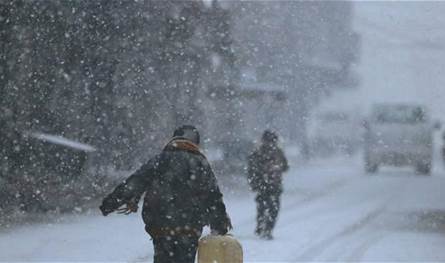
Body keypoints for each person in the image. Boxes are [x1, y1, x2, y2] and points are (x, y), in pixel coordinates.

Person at [100, 125, 232, 263]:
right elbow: (212, 196)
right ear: (196, 143)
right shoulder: (200, 163)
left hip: (160, 225)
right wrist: (219, 224)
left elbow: (135, 182)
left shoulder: (160, 160)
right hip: (190, 226)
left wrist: (110, 203)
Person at [247, 130, 289, 240]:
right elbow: (285, 167)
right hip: (273, 186)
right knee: (272, 208)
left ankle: (261, 227)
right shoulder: (277, 152)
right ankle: (267, 229)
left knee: (262, 207)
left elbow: (251, 170)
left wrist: (254, 183)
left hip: (263, 186)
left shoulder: (257, 152)